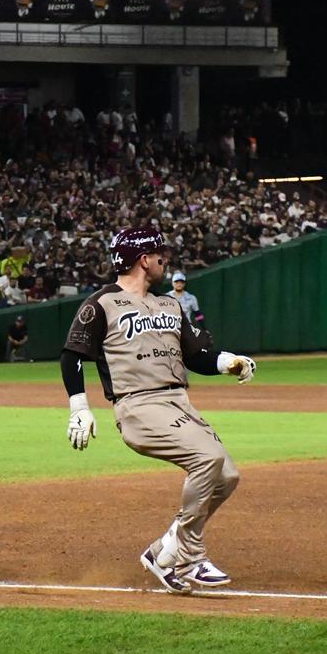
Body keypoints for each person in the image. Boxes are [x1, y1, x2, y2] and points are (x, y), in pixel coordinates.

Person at [61, 227, 256, 595]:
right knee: (207, 458)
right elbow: (72, 355)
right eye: (159, 254)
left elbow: (196, 355)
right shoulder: (102, 303)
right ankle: (189, 557)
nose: (165, 260)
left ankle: (163, 552)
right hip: (138, 404)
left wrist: (228, 362)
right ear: (143, 260)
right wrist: (79, 407)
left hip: (178, 402)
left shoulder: (169, 304)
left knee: (226, 476)